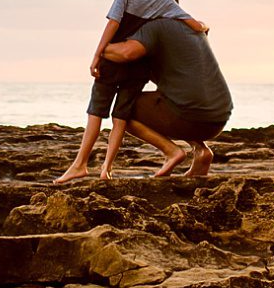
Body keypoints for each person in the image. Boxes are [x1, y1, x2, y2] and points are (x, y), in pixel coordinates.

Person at [55, 0, 209, 184]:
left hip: (113, 63)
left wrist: (98, 54)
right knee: (120, 118)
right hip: (139, 70)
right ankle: (106, 169)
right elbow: (195, 25)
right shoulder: (166, 1)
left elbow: (113, 23)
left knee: (96, 114)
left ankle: (80, 165)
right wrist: (204, 26)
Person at [99, 13, 233, 178]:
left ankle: (171, 151)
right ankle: (201, 151)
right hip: (218, 117)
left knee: (125, 110)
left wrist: (102, 47)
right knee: (171, 99)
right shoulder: (192, 30)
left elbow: (127, 53)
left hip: (192, 118)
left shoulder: (156, 28)